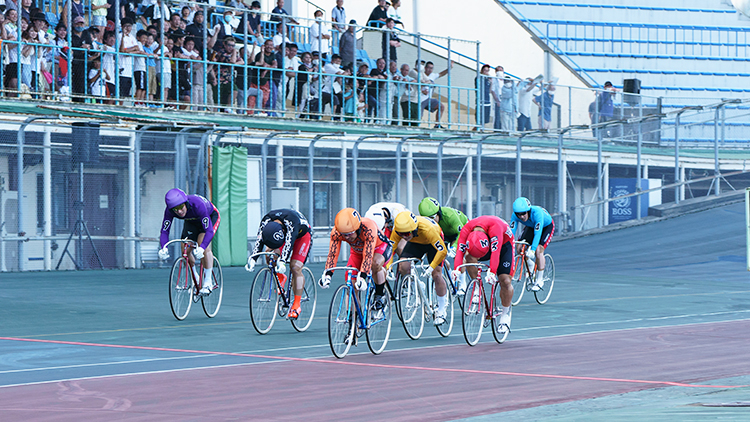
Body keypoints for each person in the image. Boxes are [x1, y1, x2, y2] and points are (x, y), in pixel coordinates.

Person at [320, 208, 393, 317]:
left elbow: (368, 255)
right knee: (351, 286)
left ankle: (379, 295)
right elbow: (333, 254)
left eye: (349, 234)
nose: (346, 237)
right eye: (343, 235)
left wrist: (363, 275)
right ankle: (353, 320)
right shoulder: (337, 232)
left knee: (375, 263)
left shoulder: (368, 228)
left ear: (357, 228)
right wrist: (328, 274)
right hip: (357, 252)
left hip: (379, 247)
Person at [452, 215, 515, 334]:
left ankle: (505, 315)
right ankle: (476, 287)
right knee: (468, 256)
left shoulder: (495, 228)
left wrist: (492, 272)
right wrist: (456, 269)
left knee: (505, 280)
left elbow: (495, 254)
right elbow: (459, 251)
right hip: (483, 244)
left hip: (504, 245)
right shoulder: (466, 229)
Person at [247, 209, 312, 319]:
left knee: (295, 267)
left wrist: (282, 262)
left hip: (301, 237)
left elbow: (289, 244)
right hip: (283, 234)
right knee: (269, 253)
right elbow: (260, 241)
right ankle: (281, 277)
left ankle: (296, 305)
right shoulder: (266, 221)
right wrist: (253, 258)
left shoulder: (292, 222)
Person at [390, 211, 449, 325]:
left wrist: (431, 267)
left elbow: (442, 251)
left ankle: (441, 310)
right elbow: (390, 249)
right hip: (416, 242)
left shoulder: (428, 230)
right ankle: (416, 284)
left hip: (433, 242)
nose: (403, 237)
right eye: (401, 235)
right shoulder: (400, 230)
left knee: (436, 274)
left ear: (414, 229)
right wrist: (388, 268)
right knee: (403, 264)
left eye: (406, 234)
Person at [158, 189, 220, 295]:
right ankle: (196, 279)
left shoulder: (198, 204)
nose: (179, 212)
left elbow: (208, 230)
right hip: (191, 221)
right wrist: (164, 247)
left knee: (202, 244)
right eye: (175, 210)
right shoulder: (169, 211)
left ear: (186, 203)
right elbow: (164, 231)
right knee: (185, 249)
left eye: (181, 207)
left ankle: (208, 282)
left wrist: (202, 248)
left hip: (209, 217)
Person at [510, 197, 554, 291]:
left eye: (523, 213)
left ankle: (539, 279)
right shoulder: (514, 216)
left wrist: (533, 249)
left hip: (546, 227)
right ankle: (530, 264)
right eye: (519, 214)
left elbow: (537, 234)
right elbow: (511, 232)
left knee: (538, 250)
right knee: (519, 248)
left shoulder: (537, 213)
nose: (521, 216)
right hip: (530, 226)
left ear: (528, 211)